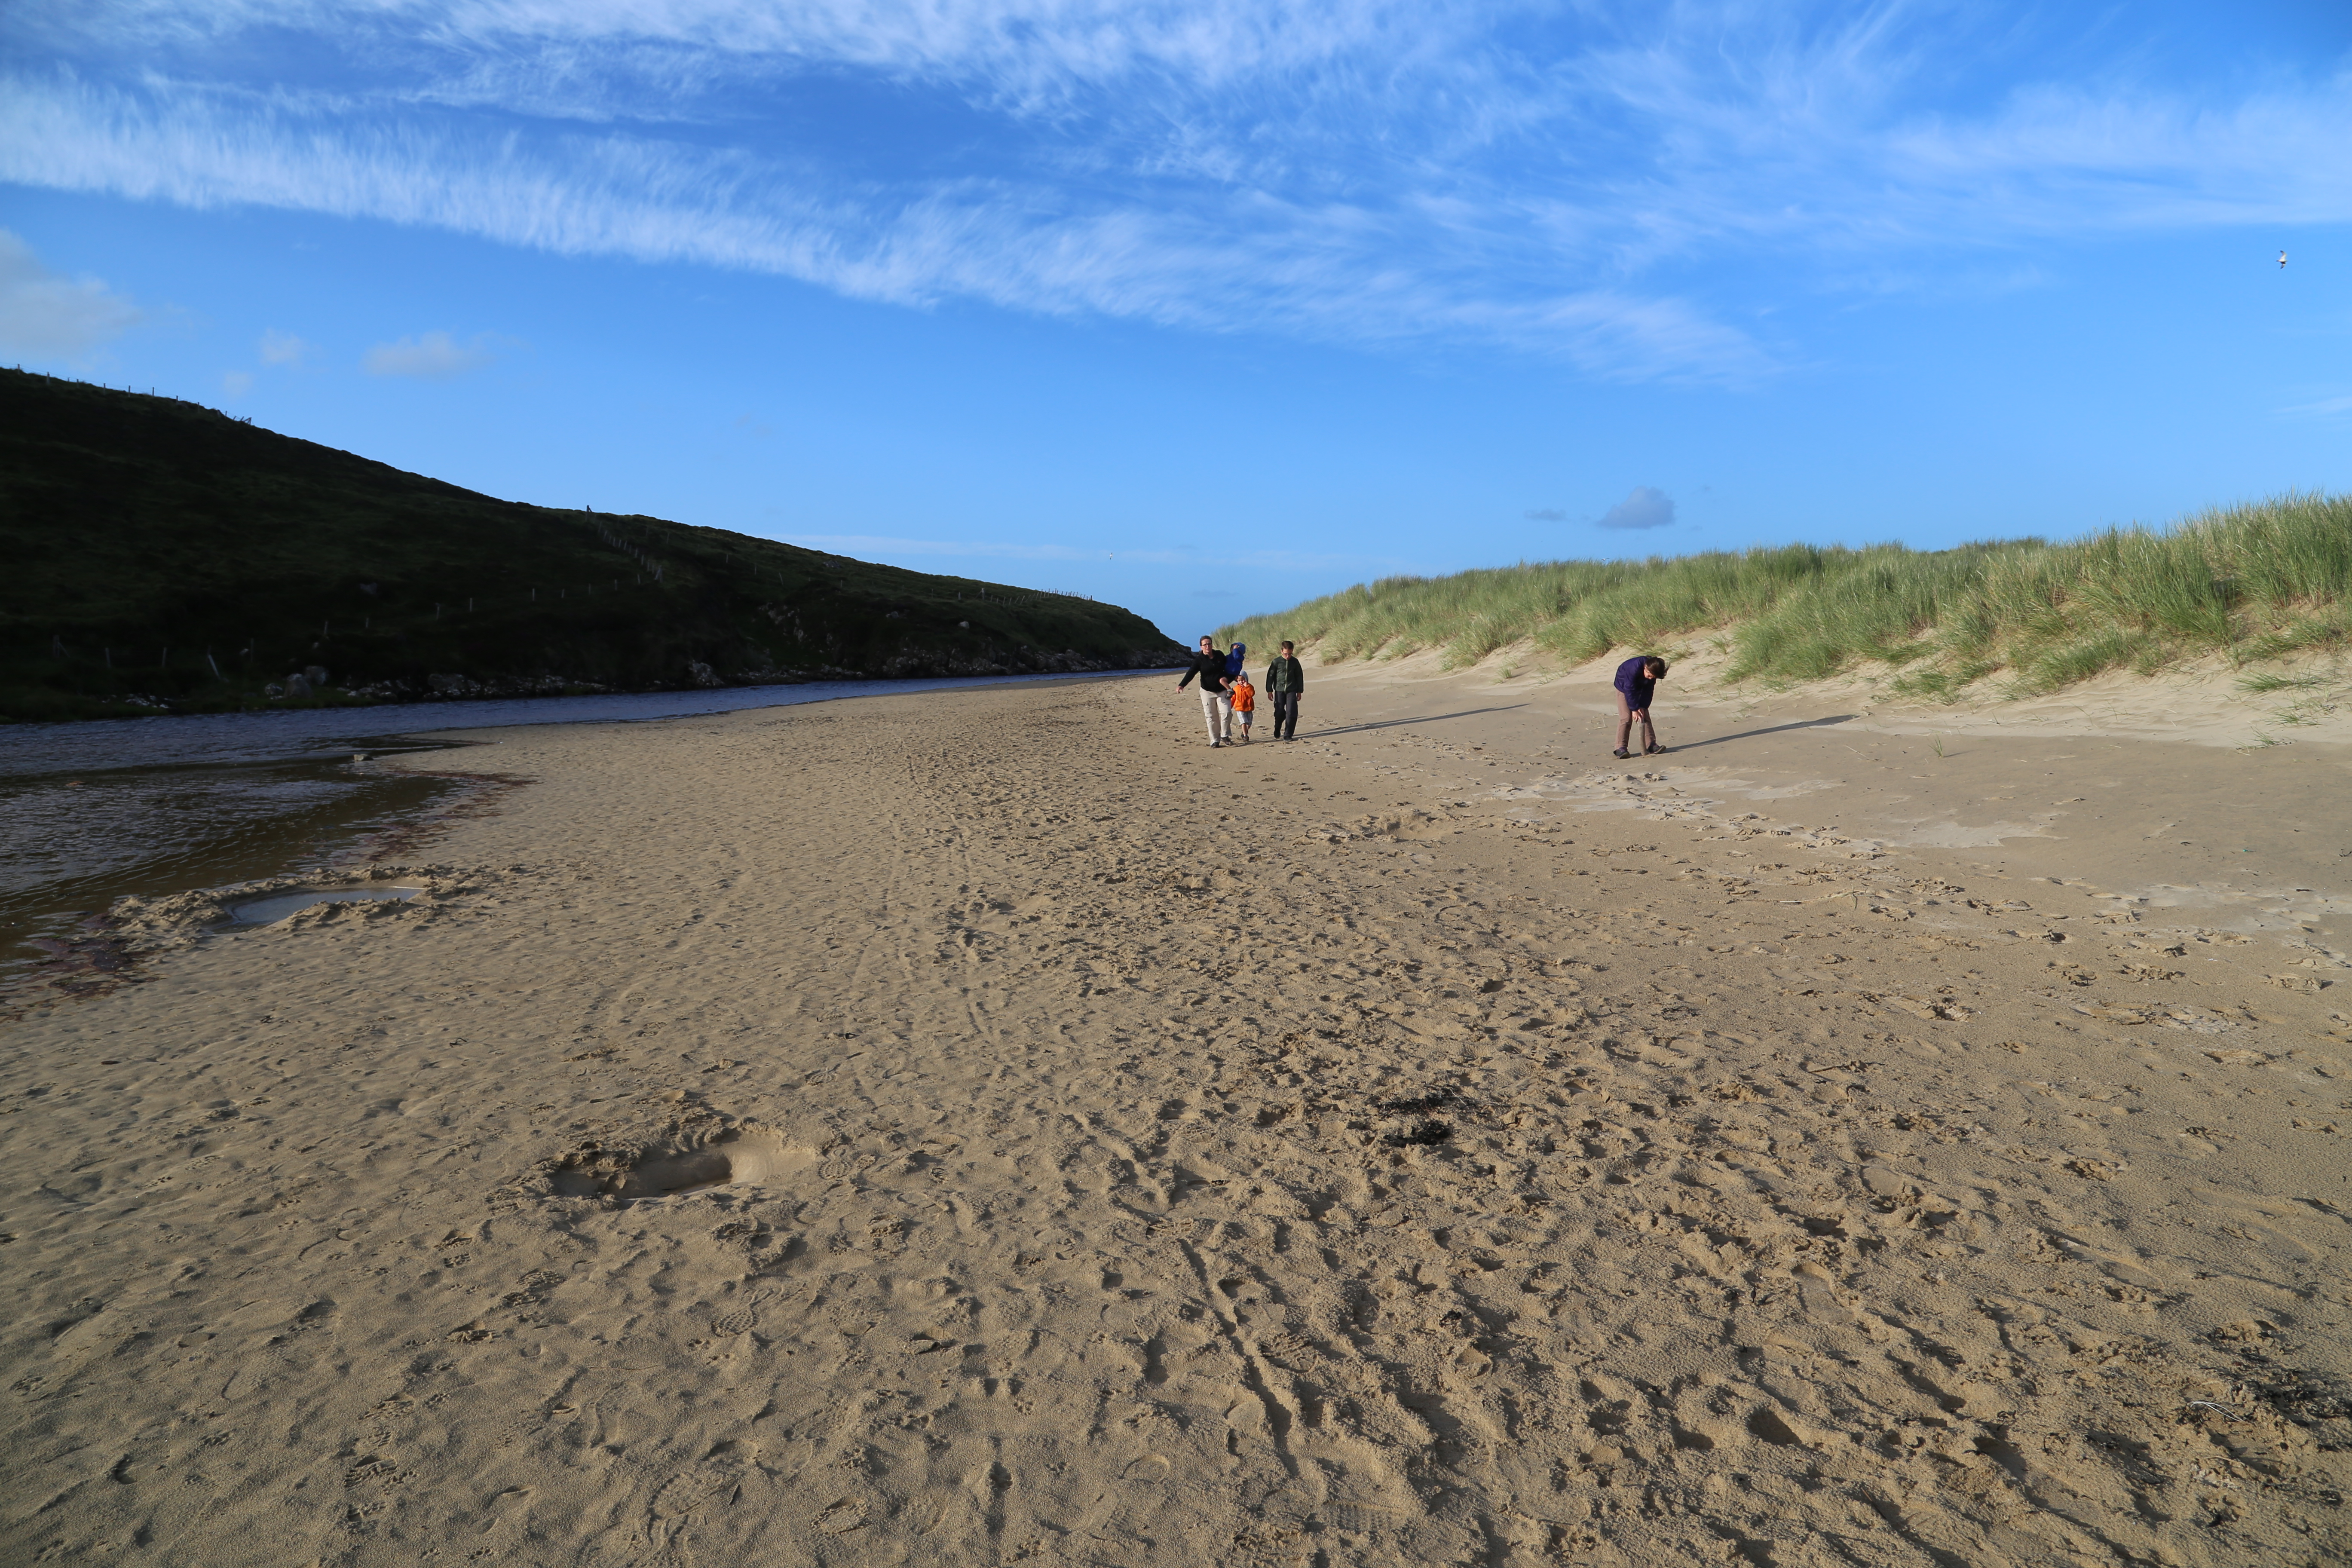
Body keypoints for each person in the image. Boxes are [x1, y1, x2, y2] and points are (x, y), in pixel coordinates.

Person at [1176, 635, 1235, 747]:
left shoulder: (1220, 655)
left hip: (1222, 690)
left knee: (1227, 712)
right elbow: (1191, 673)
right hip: (1207, 692)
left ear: (1212, 645)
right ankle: (1215, 740)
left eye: (1209, 644)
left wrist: (1233, 676)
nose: (1208, 646)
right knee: (1211, 716)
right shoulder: (1199, 660)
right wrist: (1182, 685)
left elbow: (1230, 667)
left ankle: (1224, 735)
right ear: (1201, 647)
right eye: (1205, 645)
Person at [1612, 654, 1668, 757]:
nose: (1651, 678)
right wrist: (1634, 710)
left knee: (1644, 715)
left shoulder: (1653, 671)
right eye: (1650, 675)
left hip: (1639, 686)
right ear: (1646, 668)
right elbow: (1629, 690)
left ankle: (1651, 745)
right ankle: (1620, 748)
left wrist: (1643, 707)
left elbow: (1649, 691)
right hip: (1623, 687)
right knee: (1626, 717)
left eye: (1654, 677)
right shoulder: (1634, 667)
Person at [1265, 640, 1305, 741]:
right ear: (1281, 651)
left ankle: (1288, 734)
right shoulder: (1276, 662)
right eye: (1286, 654)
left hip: (1292, 690)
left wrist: (1300, 691)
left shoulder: (1295, 662)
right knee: (1279, 712)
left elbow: (1299, 676)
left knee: (1292, 712)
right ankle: (1277, 727)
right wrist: (1269, 691)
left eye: (1290, 654)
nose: (1288, 656)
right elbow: (1271, 677)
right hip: (1279, 690)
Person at [1228, 669, 1257, 742]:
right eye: (1239, 681)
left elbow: (1251, 694)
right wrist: (1229, 707)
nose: (1241, 682)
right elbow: (1233, 699)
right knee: (1243, 722)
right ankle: (1245, 736)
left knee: (1249, 723)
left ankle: (1244, 732)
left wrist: (1247, 686)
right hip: (1239, 708)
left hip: (1249, 708)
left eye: (1243, 680)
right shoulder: (1236, 689)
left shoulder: (1250, 687)